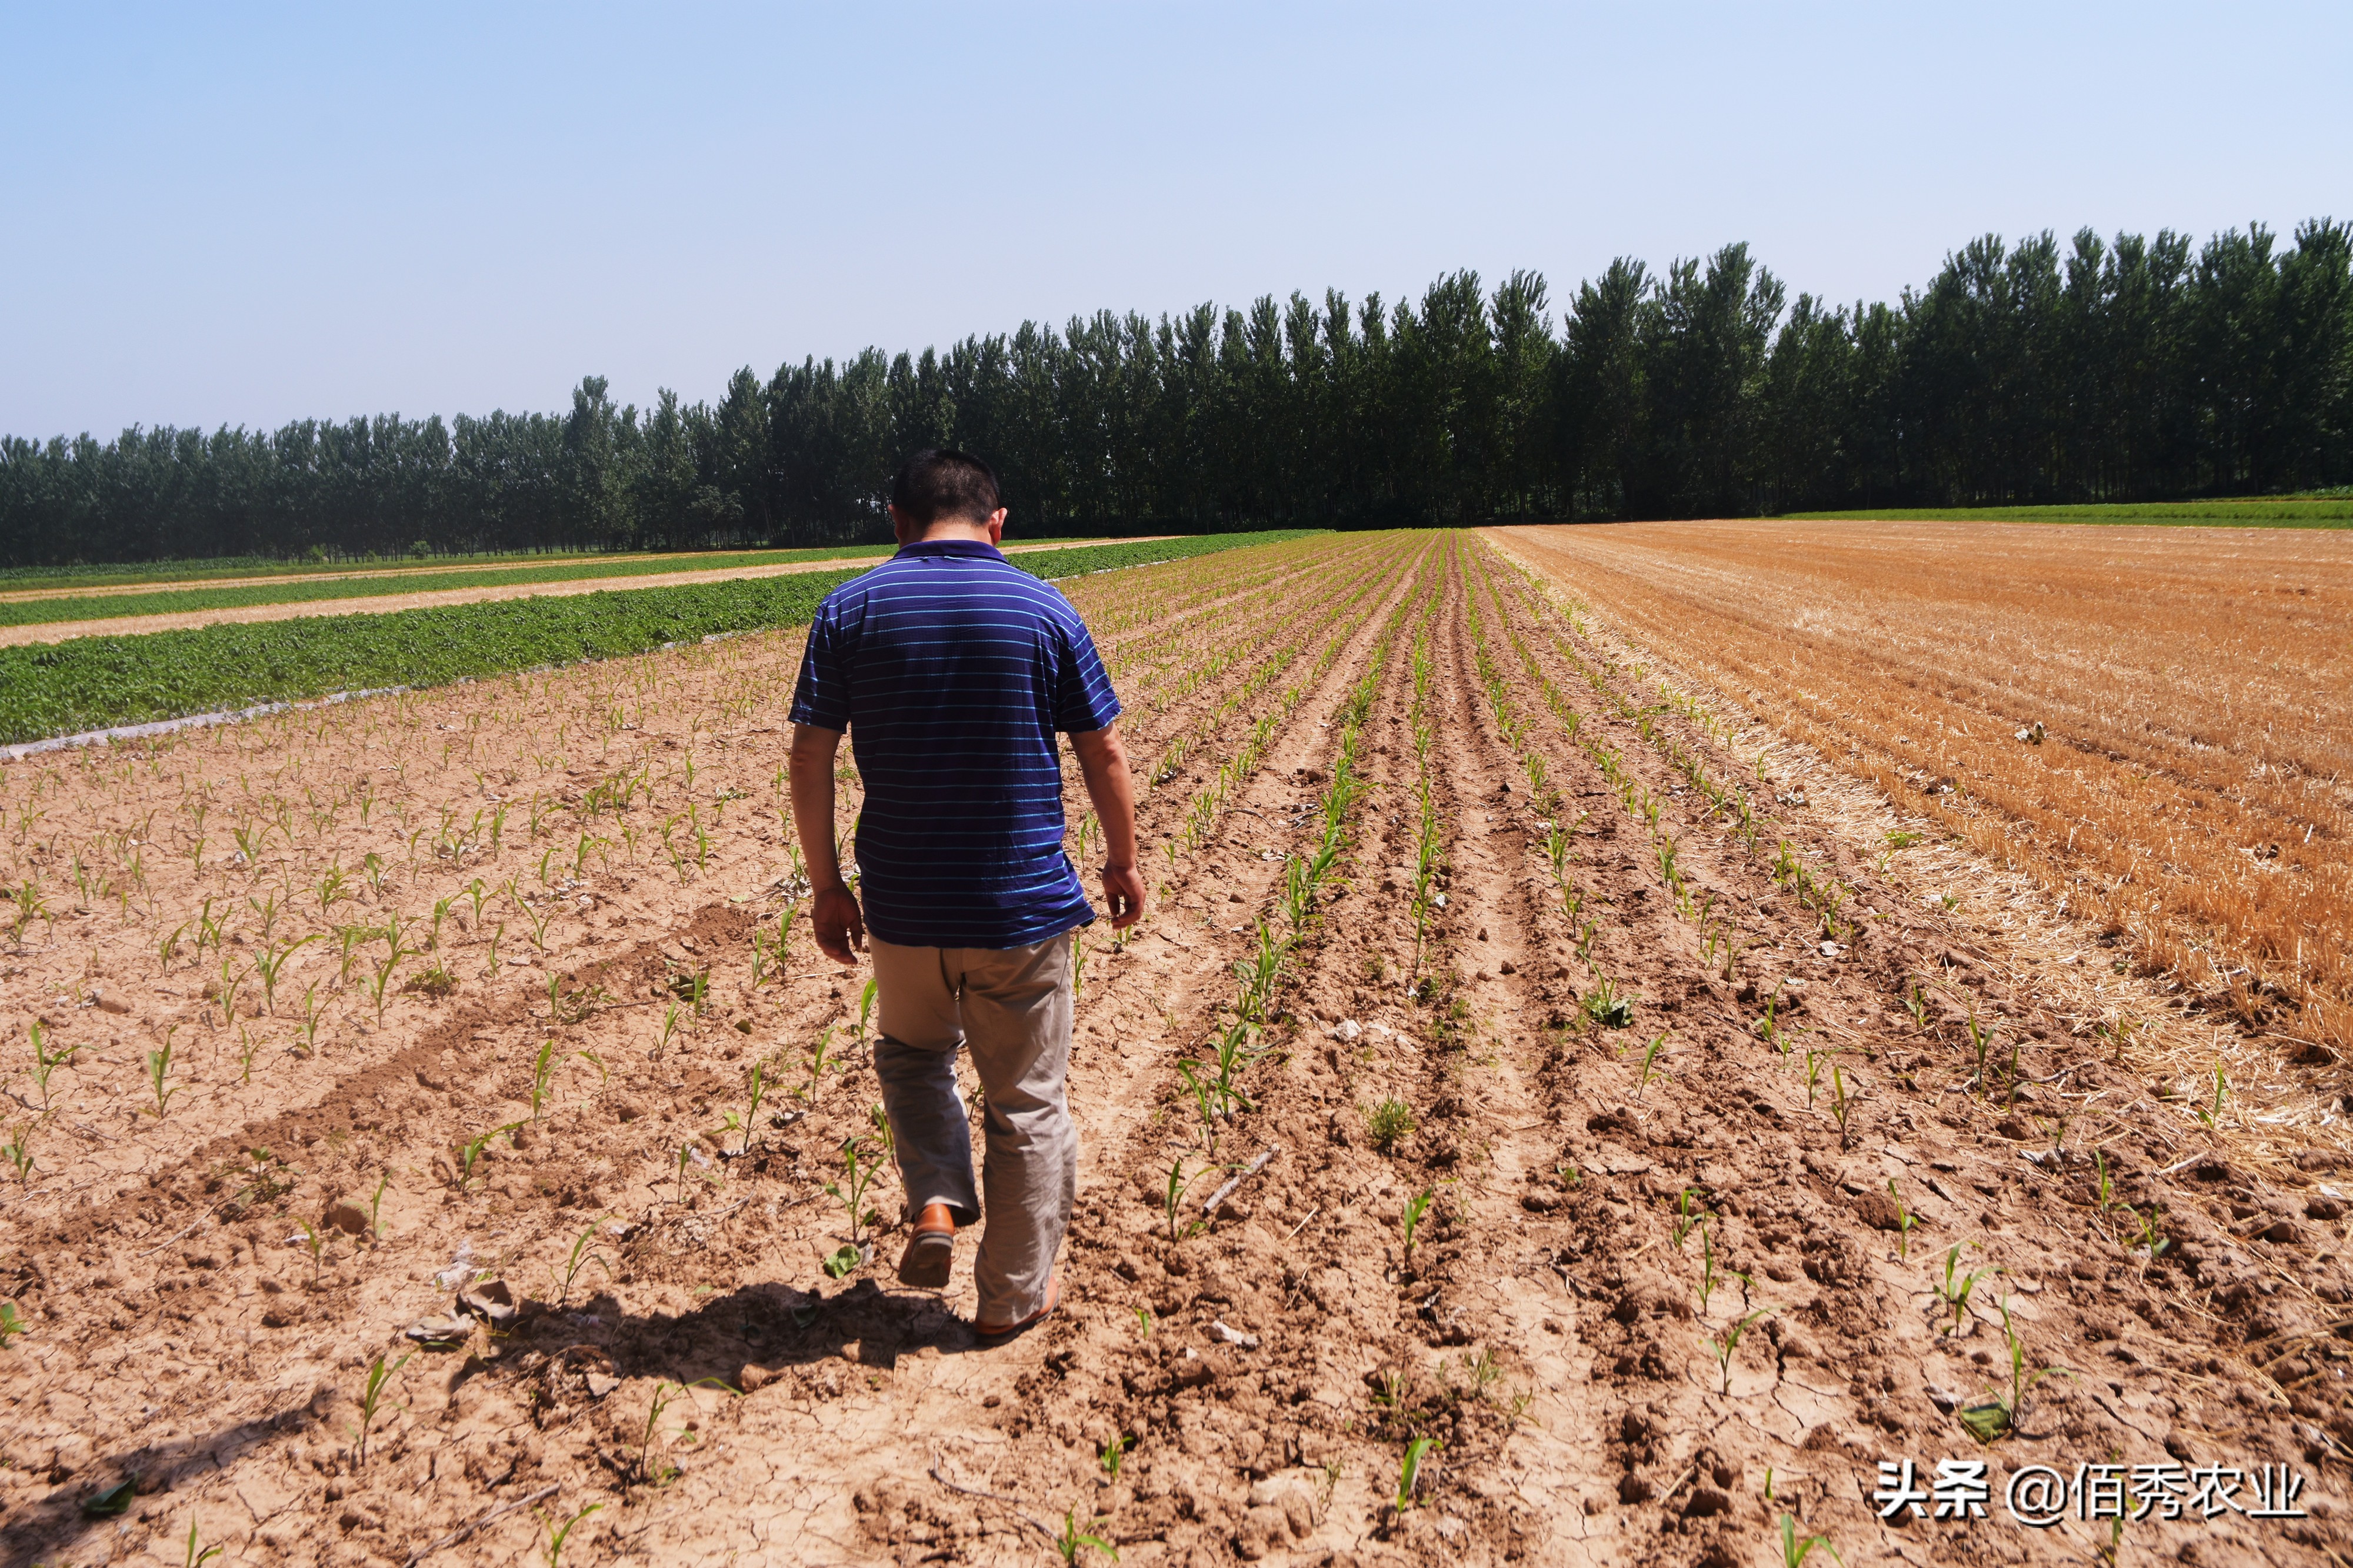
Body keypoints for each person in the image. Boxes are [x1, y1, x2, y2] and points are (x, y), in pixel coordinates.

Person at [786, 448, 1144, 1342]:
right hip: (1018, 909)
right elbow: (1102, 751)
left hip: (904, 906)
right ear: (998, 524)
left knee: (912, 1058)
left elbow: (810, 755)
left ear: (899, 524)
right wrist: (1123, 860)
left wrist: (828, 886)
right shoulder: (1045, 606)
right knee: (1026, 1101)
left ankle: (939, 1196)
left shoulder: (850, 609)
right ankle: (1011, 1296)